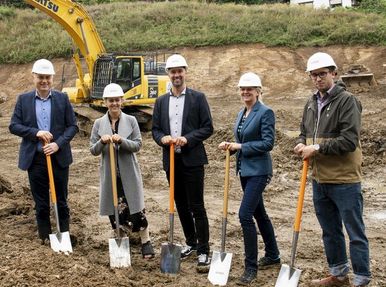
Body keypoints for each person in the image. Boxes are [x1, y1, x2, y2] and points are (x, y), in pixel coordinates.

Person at [294, 52, 371, 287]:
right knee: (330, 232)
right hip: (319, 178)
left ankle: (361, 279)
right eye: (314, 75)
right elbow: (303, 132)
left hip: (345, 179)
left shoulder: (347, 101)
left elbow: (349, 140)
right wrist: (300, 143)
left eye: (322, 74)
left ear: (334, 74)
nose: (318, 79)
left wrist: (315, 148)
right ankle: (338, 275)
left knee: (354, 232)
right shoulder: (310, 102)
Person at [152, 54, 214, 271]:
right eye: (172, 71)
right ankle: (191, 243)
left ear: (185, 72)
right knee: (180, 204)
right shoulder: (161, 101)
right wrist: (163, 139)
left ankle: (205, 250)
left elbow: (208, 127)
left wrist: (188, 139)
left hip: (193, 160)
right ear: (168, 74)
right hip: (172, 161)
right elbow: (156, 130)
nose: (176, 75)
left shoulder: (198, 98)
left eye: (180, 71)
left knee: (197, 206)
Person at [219, 72, 280, 285]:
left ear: (258, 91)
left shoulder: (266, 112)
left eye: (250, 89)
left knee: (245, 215)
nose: (246, 92)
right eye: (242, 89)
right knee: (259, 213)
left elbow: (267, 143)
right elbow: (242, 140)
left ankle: (251, 268)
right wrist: (231, 147)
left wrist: (241, 146)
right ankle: (273, 255)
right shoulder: (241, 113)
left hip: (260, 171)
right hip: (245, 171)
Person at [9, 59, 78, 244]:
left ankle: (64, 236)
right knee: (41, 203)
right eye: (40, 77)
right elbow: (13, 126)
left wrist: (58, 144)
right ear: (34, 77)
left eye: (47, 77)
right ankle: (45, 237)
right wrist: (35, 132)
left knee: (62, 201)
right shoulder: (23, 100)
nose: (44, 81)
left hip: (58, 158)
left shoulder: (62, 98)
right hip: (36, 159)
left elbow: (72, 126)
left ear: (52, 78)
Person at [89, 83, 155, 259]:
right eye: (111, 101)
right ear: (105, 102)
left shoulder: (131, 121)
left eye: (117, 100)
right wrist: (101, 142)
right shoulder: (98, 124)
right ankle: (121, 239)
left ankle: (145, 242)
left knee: (136, 209)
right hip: (110, 176)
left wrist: (122, 141)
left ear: (122, 101)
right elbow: (93, 150)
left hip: (128, 173)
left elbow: (138, 145)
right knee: (115, 210)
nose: (114, 104)